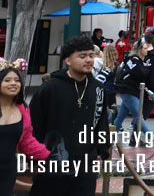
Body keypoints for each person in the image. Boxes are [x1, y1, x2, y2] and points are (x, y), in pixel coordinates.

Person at [28, 35, 111, 195]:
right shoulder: (49, 88)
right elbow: (34, 124)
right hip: (52, 163)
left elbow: (101, 122)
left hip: (85, 166)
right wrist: (34, 158)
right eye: (82, 56)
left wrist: (102, 152)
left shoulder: (98, 88)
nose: (88, 60)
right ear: (68, 60)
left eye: (91, 55)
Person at [0, 60, 50, 194]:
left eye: (17, 80)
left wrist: (50, 155)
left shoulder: (23, 108)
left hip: (7, 172)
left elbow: (26, 142)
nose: (13, 84)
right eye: (7, 80)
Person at [112, 41, 152, 139]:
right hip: (129, 91)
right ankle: (149, 136)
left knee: (120, 117)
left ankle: (111, 135)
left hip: (129, 91)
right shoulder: (134, 60)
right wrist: (146, 67)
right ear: (139, 50)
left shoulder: (134, 60)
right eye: (145, 48)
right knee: (138, 116)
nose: (147, 50)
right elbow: (141, 73)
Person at [94, 45, 120, 125]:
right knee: (113, 109)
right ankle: (115, 124)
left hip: (105, 89)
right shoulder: (114, 65)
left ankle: (113, 124)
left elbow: (100, 78)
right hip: (110, 90)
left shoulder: (106, 66)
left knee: (104, 108)